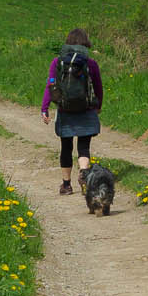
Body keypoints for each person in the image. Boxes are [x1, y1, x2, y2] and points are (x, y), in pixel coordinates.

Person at [42, 28, 104, 196]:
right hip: (86, 109)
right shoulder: (91, 63)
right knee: (84, 147)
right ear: (86, 43)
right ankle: (84, 174)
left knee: (66, 147)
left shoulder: (57, 62)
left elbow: (51, 85)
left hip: (65, 110)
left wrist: (45, 108)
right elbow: (98, 87)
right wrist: (97, 105)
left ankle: (66, 185)